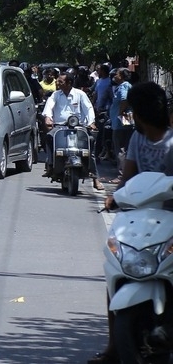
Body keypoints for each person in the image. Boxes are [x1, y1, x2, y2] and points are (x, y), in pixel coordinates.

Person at [92, 81, 173, 364]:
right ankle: (114, 346)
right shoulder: (137, 140)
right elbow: (128, 179)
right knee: (116, 270)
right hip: (141, 220)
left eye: (132, 110)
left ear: (139, 113)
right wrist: (114, 198)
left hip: (170, 220)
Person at [41, 70, 95, 176]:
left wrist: (91, 122)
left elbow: (88, 109)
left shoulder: (80, 94)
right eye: (58, 81)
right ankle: (51, 165)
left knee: (90, 142)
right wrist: (48, 117)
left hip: (79, 127)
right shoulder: (55, 95)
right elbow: (49, 106)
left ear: (69, 83)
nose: (57, 83)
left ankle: (94, 175)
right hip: (60, 127)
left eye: (61, 82)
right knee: (48, 137)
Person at [110, 67, 133, 158]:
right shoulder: (121, 86)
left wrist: (120, 112)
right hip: (122, 120)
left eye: (117, 74)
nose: (114, 76)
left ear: (122, 76)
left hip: (121, 121)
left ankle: (122, 171)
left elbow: (124, 100)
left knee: (120, 148)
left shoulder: (124, 86)